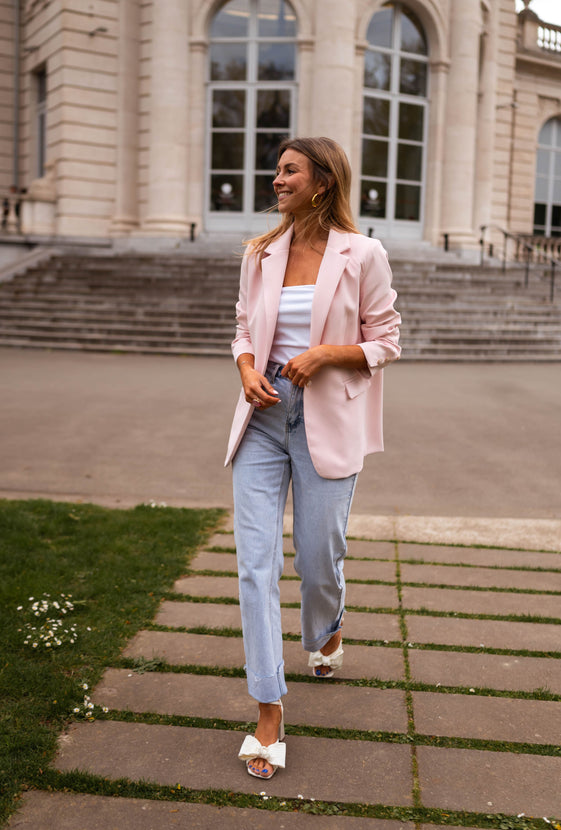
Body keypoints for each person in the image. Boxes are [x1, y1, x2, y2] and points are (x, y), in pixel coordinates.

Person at [224, 136, 401, 779]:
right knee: (255, 565)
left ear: (322, 182)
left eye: (289, 170)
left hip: (327, 420)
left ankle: (329, 625)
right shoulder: (262, 252)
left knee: (317, 557)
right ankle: (268, 708)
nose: (276, 179)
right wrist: (247, 368)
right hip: (264, 420)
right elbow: (245, 326)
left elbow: (386, 340)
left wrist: (326, 353)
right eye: (276, 169)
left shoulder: (364, 254)